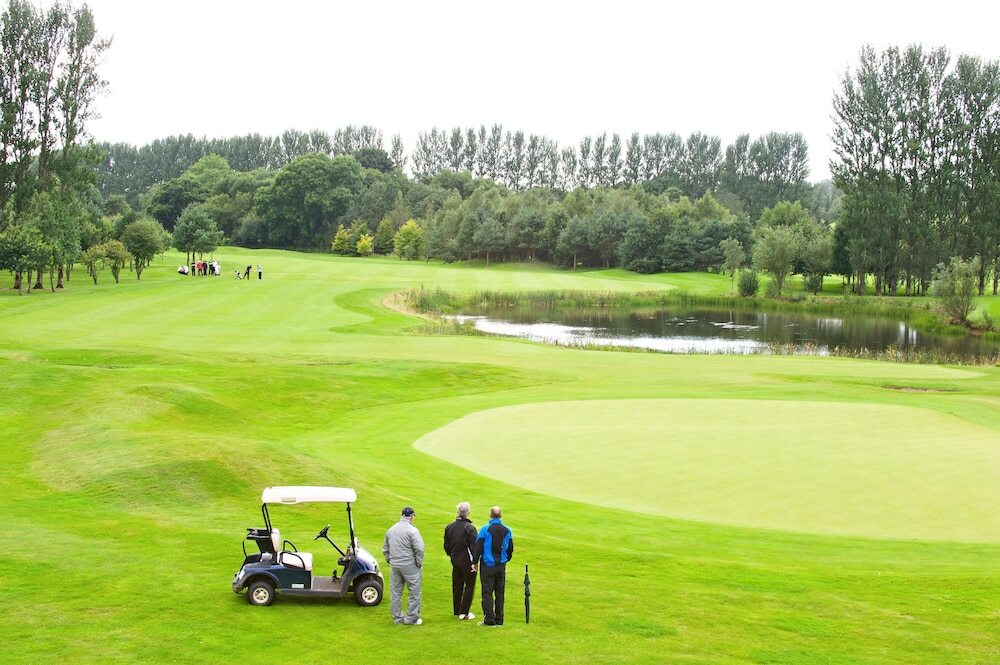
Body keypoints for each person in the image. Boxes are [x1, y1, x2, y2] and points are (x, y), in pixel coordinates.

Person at [383, 506, 424, 625]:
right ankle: (411, 618)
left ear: (402, 515)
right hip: (410, 565)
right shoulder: (413, 531)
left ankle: (397, 618)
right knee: (414, 591)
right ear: (411, 517)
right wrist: (419, 563)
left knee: (395, 592)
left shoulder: (391, 530)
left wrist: (390, 560)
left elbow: (385, 548)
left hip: (395, 565)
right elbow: (419, 549)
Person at [474, 506, 514, 626]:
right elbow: (510, 549)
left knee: (487, 592)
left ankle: (489, 619)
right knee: (500, 592)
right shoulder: (507, 530)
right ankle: (499, 619)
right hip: (500, 565)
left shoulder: (485, 529)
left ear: (490, 515)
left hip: (488, 565)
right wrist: (505, 560)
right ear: (501, 516)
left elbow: (478, 547)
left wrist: (474, 562)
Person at [443, 501, 477, 621]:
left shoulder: (449, 527)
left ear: (458, 512)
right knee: (469, 585)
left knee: (457, 584)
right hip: (467, 560)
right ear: (468, 512)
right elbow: (474, 546)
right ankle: (464, 612)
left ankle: (457, 610)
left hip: (455, 559)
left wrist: (452, 555)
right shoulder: (469, 528)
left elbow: (446, 545)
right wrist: (475, 562)